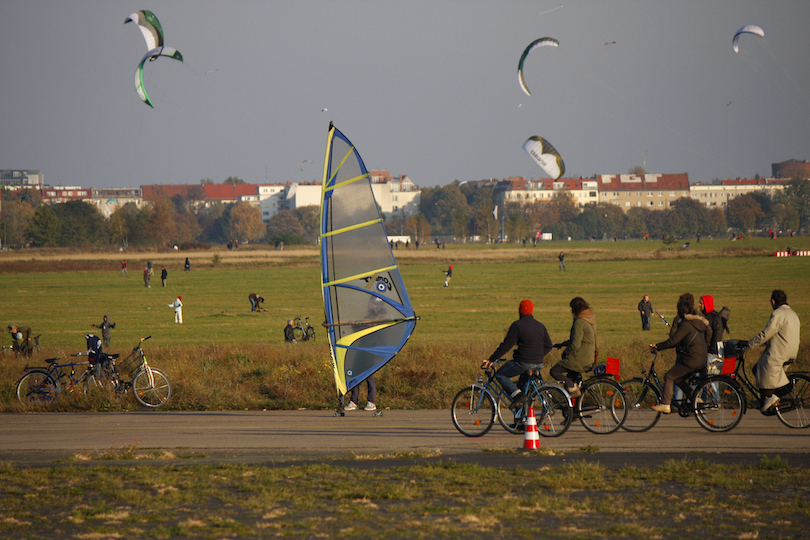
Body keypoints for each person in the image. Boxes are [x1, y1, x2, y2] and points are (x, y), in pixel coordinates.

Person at [480, 300, 553, 410]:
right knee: (522, 388)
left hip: (523, 363)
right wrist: (537, 356)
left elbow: (506, 345)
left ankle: (517, 395)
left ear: (519, 311)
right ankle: (521, 421)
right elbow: (549, 345)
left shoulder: (517, 325)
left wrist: (492, 358)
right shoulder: (540, 326)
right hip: (538, 363)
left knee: (500, 375)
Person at [649, 293, 711, 414]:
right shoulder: (698, 323)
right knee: (678, 379)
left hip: (691, 359)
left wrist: (658, 346)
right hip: (701, 358)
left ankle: (666, 404)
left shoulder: (686, 324)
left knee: (669, 376)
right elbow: (709, 332)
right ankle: (694, 398)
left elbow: (673, 340)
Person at [741, 290, 801, 412]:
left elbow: (766, 334)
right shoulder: (793, 313)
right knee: (759, 368)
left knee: (761, 367)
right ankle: (765, 399)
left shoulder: (778, 313)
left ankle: (769, 397)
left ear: (773, 302)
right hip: (792, 351)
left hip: (780, 352)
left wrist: (749, 343)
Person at [550, 297, 597, 398]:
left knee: (554, 371)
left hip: (580, 358)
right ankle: (575, 405)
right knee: (571, 377)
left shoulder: (579, 322)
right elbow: (579, 339)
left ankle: (572, 387)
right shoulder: (589, 320)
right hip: (589, 357)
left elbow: (575, 344)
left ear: (575, 309)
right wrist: (562, 344)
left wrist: (565, 353)